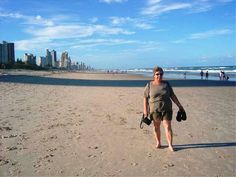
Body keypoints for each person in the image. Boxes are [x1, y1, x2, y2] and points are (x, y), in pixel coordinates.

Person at [143, 66, 185, 152]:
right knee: (156, 127)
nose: (159, 76)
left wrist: (179, 106)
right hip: (155, 110)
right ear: (154, 75)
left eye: (161, 74)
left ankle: (170, 145)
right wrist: (145, 111)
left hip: (167, 108)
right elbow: (145, 98)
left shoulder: (166, 84)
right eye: (157, 74)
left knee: (167, 126)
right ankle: (158, 142)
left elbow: (172, 95)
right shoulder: (149, 85)